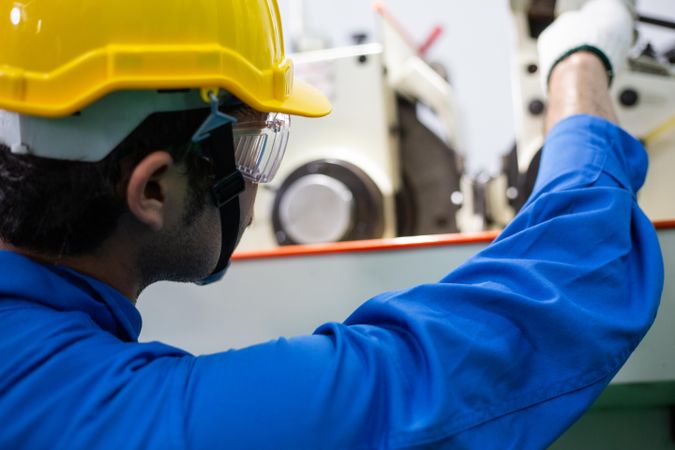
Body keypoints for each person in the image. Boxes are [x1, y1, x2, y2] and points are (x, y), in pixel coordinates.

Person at [0, 0, 663, 448]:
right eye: (255, 145)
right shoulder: (144, 424)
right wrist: (576, 67)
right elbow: (565, 291)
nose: (262, 184)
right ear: (153, 188)